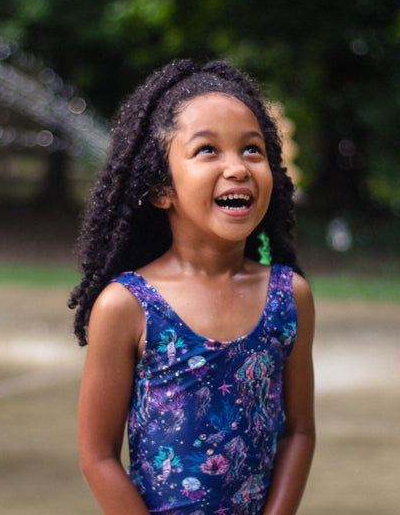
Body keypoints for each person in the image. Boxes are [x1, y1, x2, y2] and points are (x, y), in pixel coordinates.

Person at [69, 59, 315, 515]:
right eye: (208, 151)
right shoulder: (127, 306)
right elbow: (97, 457)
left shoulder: (288, 297)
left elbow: (298, 431)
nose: (237, 168)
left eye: (252, 150)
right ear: (162, 187)